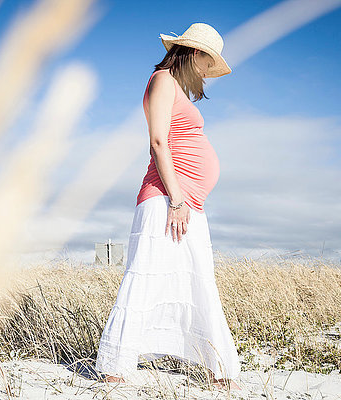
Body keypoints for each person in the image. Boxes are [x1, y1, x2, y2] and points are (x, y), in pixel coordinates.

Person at [94, 23, 241, 392]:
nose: (209, 73)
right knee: (145, 277)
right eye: (208, 64)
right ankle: (116, 368)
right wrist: (176, 199)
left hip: (186, 200)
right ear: (195, 54)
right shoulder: (161, 80)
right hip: (167, 197)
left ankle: (217, 368)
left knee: (197, 280)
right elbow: (158, 142)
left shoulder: (176, 90)